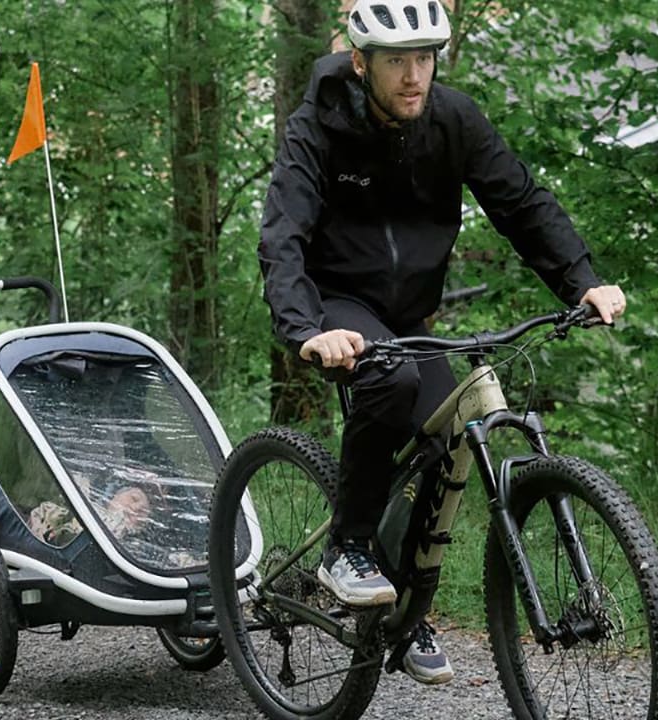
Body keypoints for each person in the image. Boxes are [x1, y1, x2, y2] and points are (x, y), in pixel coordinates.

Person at [257, 0, 628, 686]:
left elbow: (521, 202)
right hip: (340, 305)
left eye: (424, 58)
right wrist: (307, 330)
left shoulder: (454, 119)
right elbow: (283, 235)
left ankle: (407, 602)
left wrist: (581, 282)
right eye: (396, 61)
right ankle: (348, 547)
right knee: (391, 382)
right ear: (361, 63)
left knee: (456, 425)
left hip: (413, 313)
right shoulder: (320, 125)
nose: (413, 77)